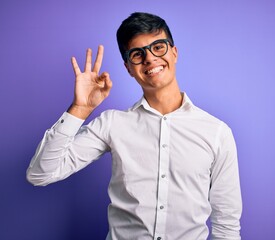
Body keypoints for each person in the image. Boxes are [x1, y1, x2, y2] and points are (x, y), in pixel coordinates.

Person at [27, 12, 242, 240]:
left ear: (174, 52)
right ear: (129, 67)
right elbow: (40, 174)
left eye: (158, 47)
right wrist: (80, 108)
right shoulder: (112, 124)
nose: (150, 59)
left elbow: (226, 223)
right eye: (138, 54)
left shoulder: (217, 132)